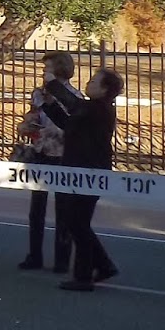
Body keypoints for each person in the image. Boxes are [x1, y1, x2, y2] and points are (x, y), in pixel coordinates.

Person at [18, 51, 86, 272]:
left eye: (47, 68)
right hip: (41, 151)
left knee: (63, 209)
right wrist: (28, 123)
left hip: (63, 154)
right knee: (36, 208)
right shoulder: (39, 93)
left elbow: (72, 126)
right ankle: (34, 255)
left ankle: (62, 259)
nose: (43, 72)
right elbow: (34, 114)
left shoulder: (73, 96)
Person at [56, 68, 123, 292]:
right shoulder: (90, 110)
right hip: (78, 170)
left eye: (94, 81)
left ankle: (85, 275)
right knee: (76, 221)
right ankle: (103, 265)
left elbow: (73, 105)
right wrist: (48, 105)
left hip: (89, 172)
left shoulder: (98, 108)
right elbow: (68, 123)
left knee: (77, 222)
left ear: (104, 89)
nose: (89, 82)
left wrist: (52, 85)